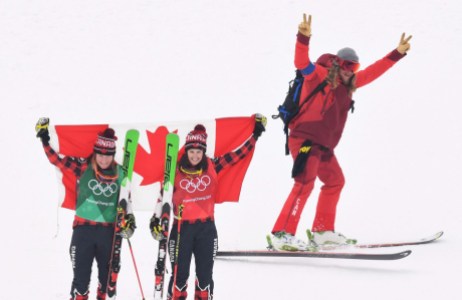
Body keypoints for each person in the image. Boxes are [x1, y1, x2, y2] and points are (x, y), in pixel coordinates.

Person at [269, 14, 412, 251]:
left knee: (335, 181)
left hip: (323, 145)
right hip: (304, 139)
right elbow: (301, 62)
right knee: (305, 182)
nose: (350, 71)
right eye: (346, 65)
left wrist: (397, 53)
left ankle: (322, 232)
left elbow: (374, 71)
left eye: (354, 67)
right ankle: (281, 234)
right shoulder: (319, 75)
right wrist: (303, 38)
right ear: (337, 63)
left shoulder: (350, 85)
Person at [150, 114, 266, 300]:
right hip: (181, 230)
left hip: (206, 229)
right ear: (186, 151)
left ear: (203, 151)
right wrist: (156, 219)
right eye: (192, 151)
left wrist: (255, 135)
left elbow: (238, 154)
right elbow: (162, 198)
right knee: (179, 280)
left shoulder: (213, 165)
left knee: (205, 279)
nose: (195, 155)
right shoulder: (174, 172)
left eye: (199, 151)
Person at [35, 118, 136, 300]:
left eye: (108, 155)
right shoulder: (83, 168)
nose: (104, 159)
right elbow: (57, 160)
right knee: (80, 282)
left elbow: (127, 202)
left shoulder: (121, 173)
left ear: (113, 155)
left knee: (106, 283)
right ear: (95, 153)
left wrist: (129, 221)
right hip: (83, 231)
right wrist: (44, 140)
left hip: (108, 233)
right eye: (100, 154)